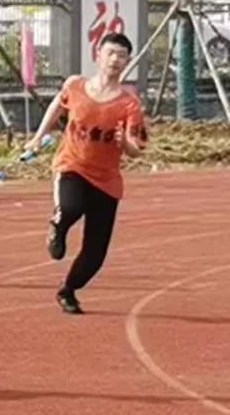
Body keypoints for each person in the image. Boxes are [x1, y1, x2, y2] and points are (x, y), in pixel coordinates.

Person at [29, 32, 148, 315]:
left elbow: (136, 149)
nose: (115, 60)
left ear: (127, 61)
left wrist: (124, 143)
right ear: (98, 54)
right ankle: (57, 227)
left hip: (106, 180)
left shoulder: (129, 104)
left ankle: (67, 290)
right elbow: (57, 106)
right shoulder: (76, 85)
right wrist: (37, 137)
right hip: (72, 165)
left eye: (122, 56)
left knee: (96, 253)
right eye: (111, 53)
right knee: (71, 208)